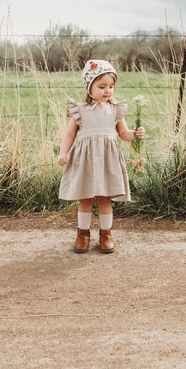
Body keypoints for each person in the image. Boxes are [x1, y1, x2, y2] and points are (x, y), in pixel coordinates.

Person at [57, 59, 146, 254]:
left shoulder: (115, 110)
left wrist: (135, 134)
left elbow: (124, 134)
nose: (107, 91)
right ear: (89, 87)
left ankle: (106, 233)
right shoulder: (79, 110)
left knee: (105, 198)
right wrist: (63, 153)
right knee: (86, 198)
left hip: (107, 161)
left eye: (111, 86)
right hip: (85, 161)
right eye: (102, 86)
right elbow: (70, 135)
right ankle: (83, 233)